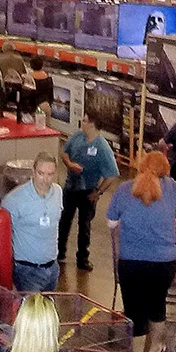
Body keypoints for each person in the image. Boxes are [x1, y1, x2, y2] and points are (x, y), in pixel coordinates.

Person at [106, 151, 176, 352]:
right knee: (157, 305)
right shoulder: (171, 187)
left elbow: (111, 222)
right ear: (165, 169)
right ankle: (156, 348)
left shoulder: (123, 189)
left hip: (131, 262)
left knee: (134, 310)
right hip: (164, 262)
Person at [59, 114, 119, 273]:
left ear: (92, 124)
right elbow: (65, 152)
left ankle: (82, 258)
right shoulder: (78, 136)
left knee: (84, 226)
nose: (82, 123)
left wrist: (98, 192)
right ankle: (59, 252)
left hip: (88, 191)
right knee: (64, 221)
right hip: (70, 187)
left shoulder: (102, 147)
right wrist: (70, 164)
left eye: (85, 120)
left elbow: (112, 174)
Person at [0, 155, 65, 293]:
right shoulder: (14, 200)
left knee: (47, 312)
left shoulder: (58, 192)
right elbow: (2, 234)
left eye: (50, 174)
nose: (45, 179)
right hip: (27, 271)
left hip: (52, 268)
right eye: (41, 173)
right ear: (33, 172)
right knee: (31, 312)